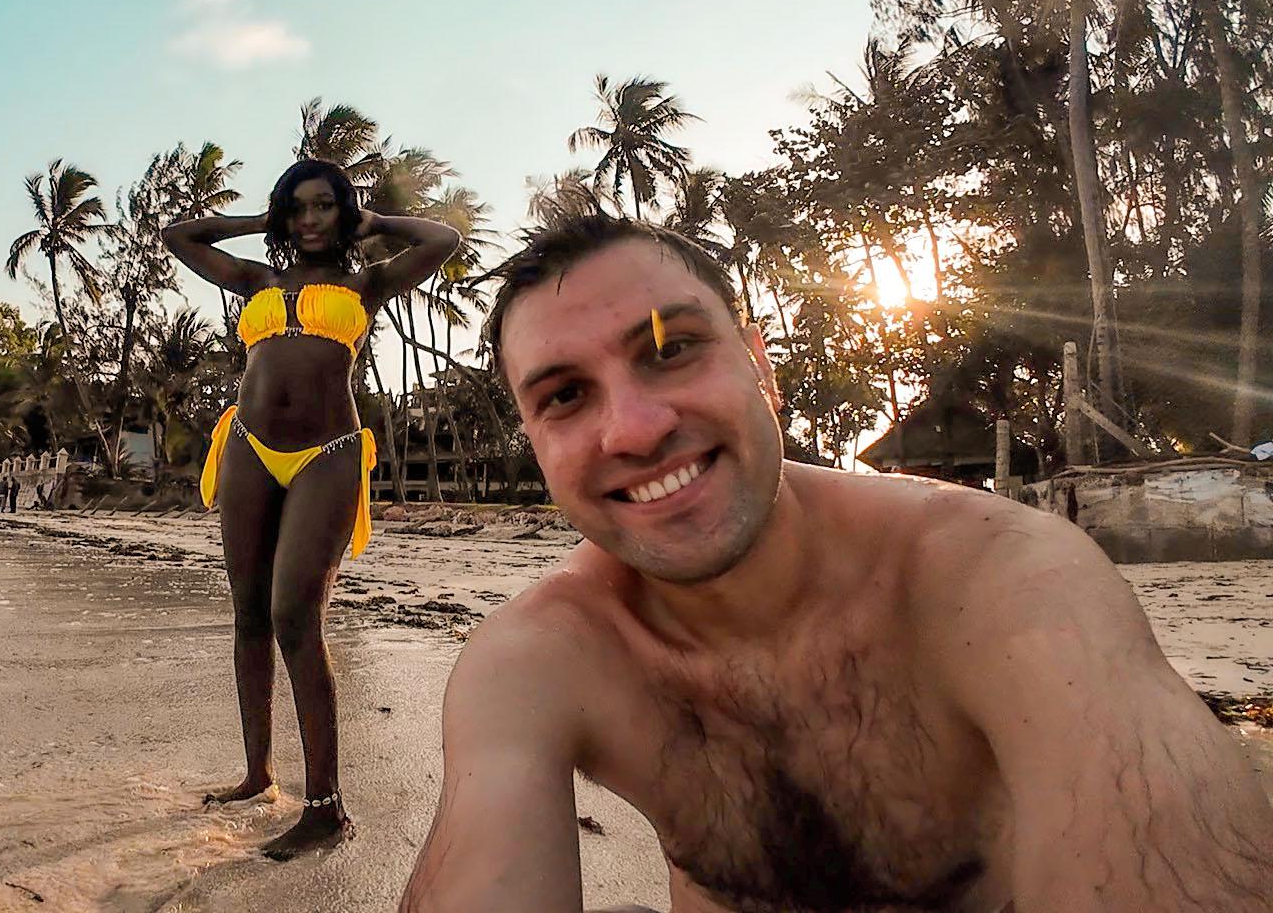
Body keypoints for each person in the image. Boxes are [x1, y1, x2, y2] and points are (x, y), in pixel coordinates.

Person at [400, 215, 1273, 912]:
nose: (633, 428)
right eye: (564, 396)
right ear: (536, 442)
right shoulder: (543, 658)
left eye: (671, 350)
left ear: (761, 368)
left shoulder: (998, 579)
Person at [163, 158, 461, 860]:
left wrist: (375, 221)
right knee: (247, 612)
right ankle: (257, 774)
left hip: (327, 452)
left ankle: (325, 807)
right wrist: (256, 222)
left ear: (342, 212)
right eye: (297, 208)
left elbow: (441, 239)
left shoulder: (368, 282)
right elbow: (180, 235)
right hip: (246, 446)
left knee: (295, 613)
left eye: (324, 206)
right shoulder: (255, 280)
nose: (309, 219)